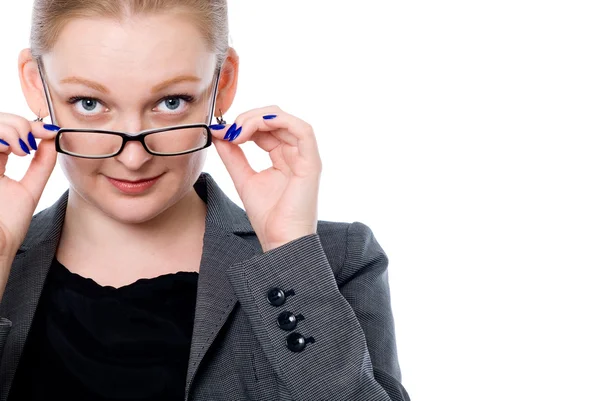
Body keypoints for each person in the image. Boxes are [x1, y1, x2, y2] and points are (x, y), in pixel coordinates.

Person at [0, 1, 410, 400]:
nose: (133, 157)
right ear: (37, 85)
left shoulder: (334, 262)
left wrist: (288, 252)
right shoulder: (8, 269)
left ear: (222, 82)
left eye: (171, 103)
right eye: (89, 104)